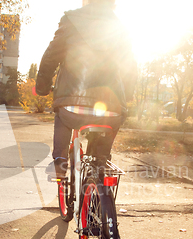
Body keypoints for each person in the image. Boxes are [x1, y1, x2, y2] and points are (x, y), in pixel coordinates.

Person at [36, 0, 137, 178]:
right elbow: (130, 66)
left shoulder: (71, 19)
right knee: (105, 140)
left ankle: (60, 161)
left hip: (71, 106)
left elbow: (51, 55)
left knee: (62, 115)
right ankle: (100, 161)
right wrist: (127, 94)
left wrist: (42, 87)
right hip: (111, 111)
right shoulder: (121, 27)